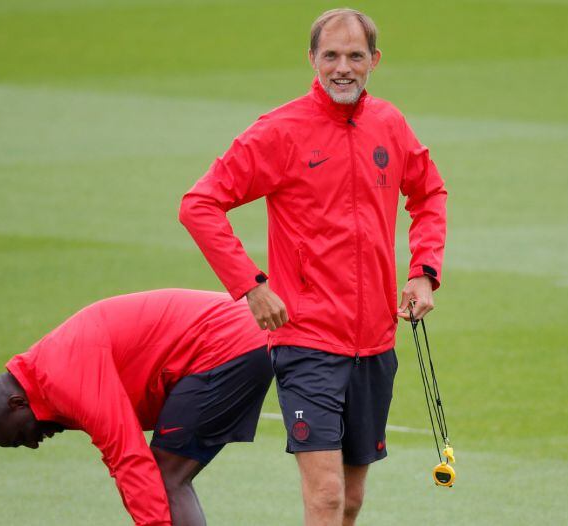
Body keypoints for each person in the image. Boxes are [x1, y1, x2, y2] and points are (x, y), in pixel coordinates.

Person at [179, 8, 447, 525]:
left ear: (374, 61)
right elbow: (199, 204)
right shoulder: (279, 132)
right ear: (312, 60)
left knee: (350, 500)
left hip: (375, 342)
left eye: (354, 56)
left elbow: (429, 192)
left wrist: (423, 271)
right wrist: (251, 286)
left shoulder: (389, 124)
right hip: (306, 342)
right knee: (324, 496)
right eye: (331, 56)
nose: (342, 68)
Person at [0, 289, 272, 526]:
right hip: (235, 336)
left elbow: (128, 457)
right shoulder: (48, 373)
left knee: (166, 478)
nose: (32, 444)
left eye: (19, 437)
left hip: (228, 343)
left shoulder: (64, 377)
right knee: (165, 477)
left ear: (17, 404)